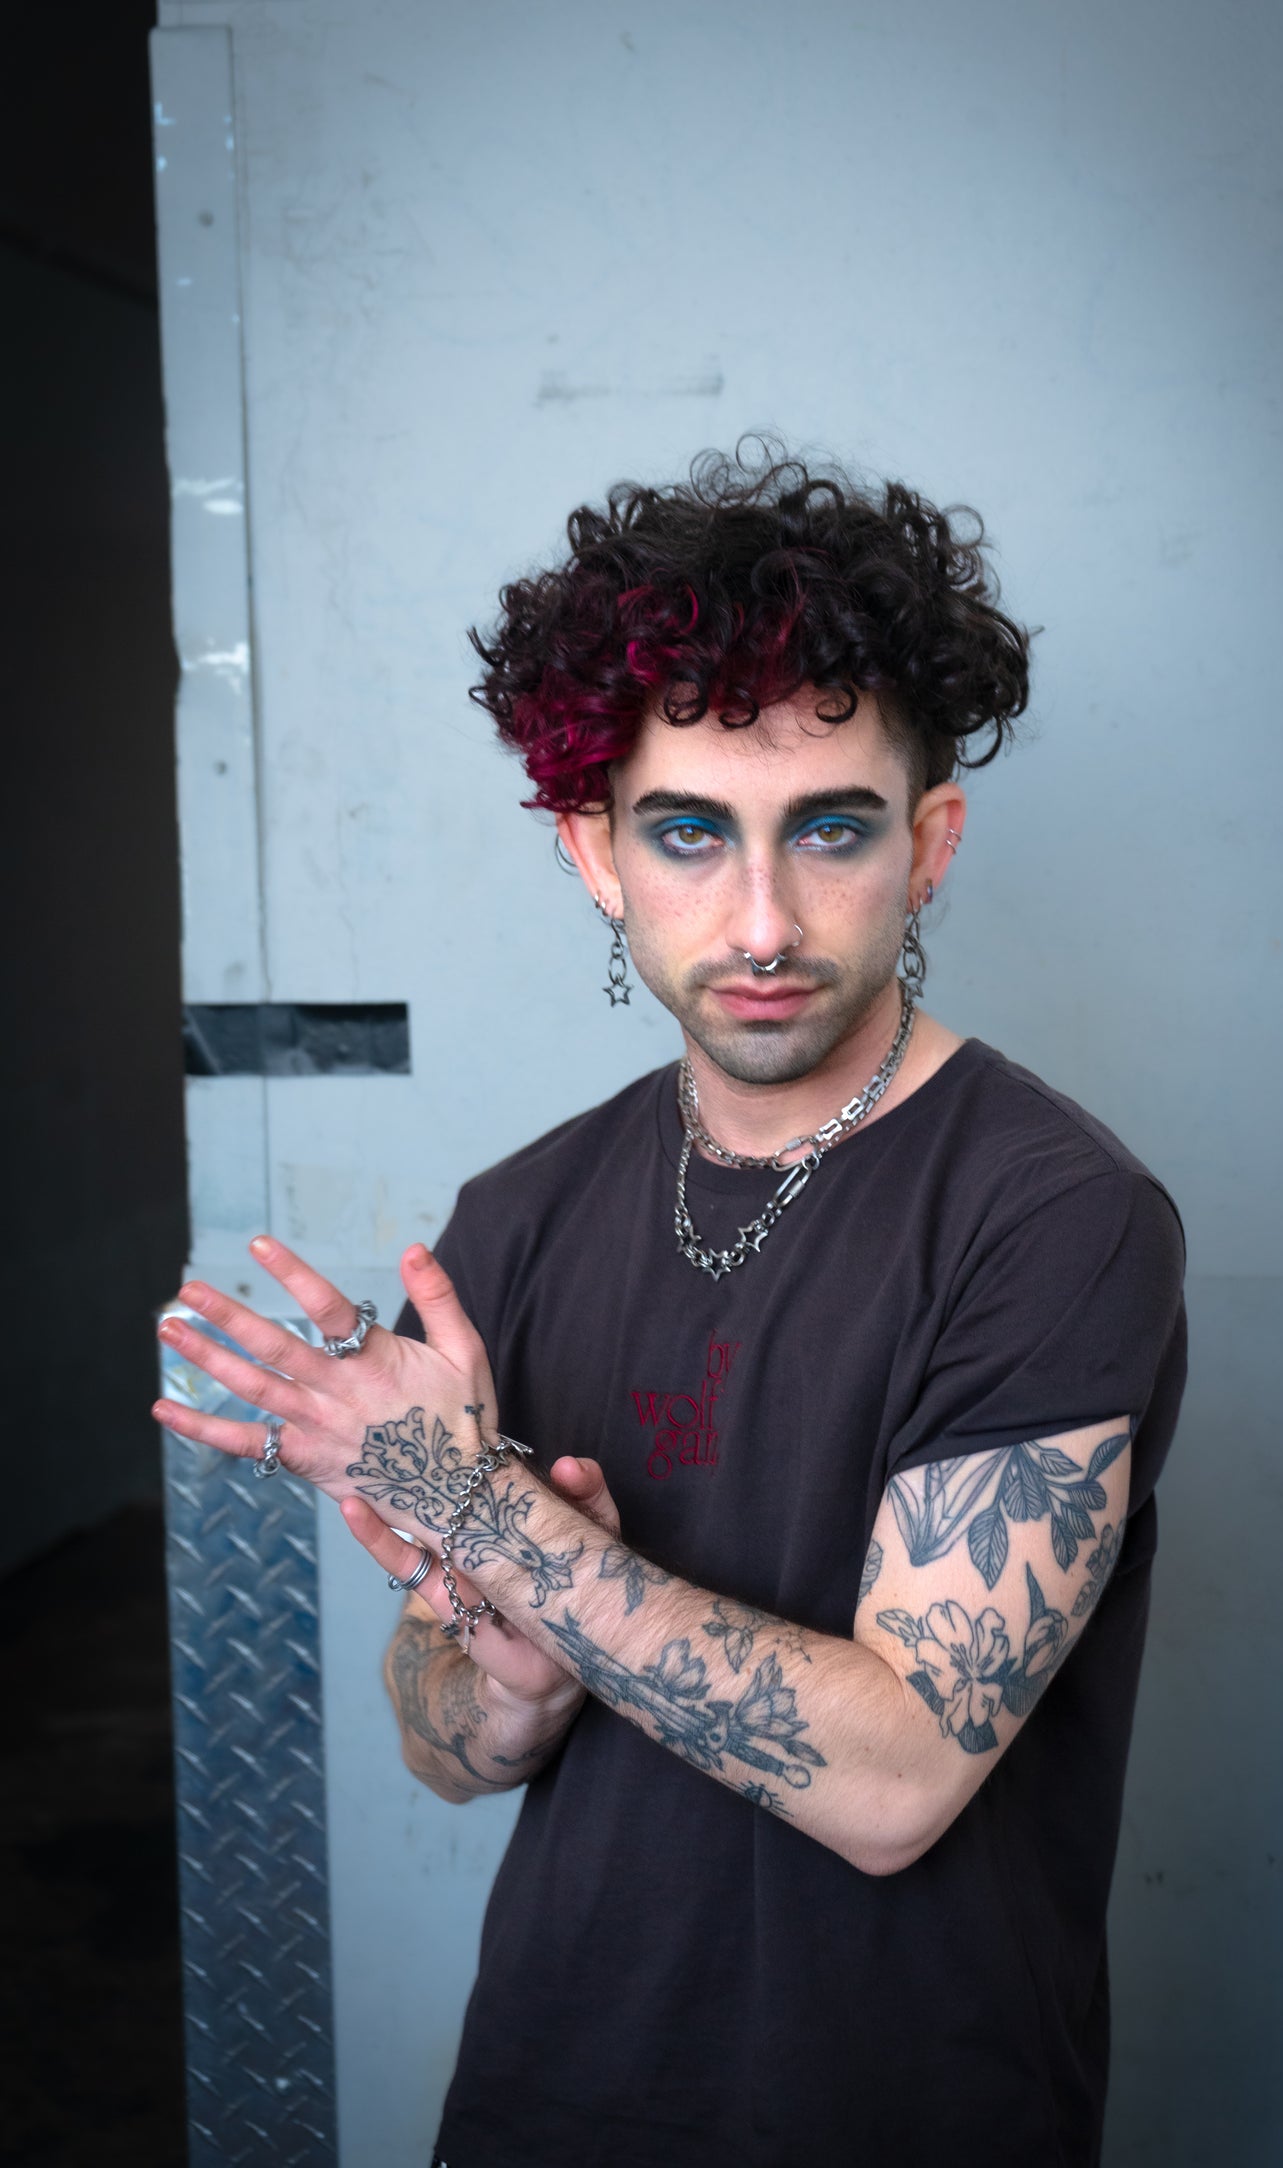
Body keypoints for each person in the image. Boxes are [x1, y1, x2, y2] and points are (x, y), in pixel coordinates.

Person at [154, 447, 1186, 2168]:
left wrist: (480, 1508)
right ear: (594, 855)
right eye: (689, 833)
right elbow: (446, 1750)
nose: (763, 920)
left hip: (906, 2113)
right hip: (554, 2095)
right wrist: (500, 1663)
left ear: (928, 844)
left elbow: (892, 1782)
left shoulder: (1053, 1219)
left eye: (831, 829)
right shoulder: (517, 1214)